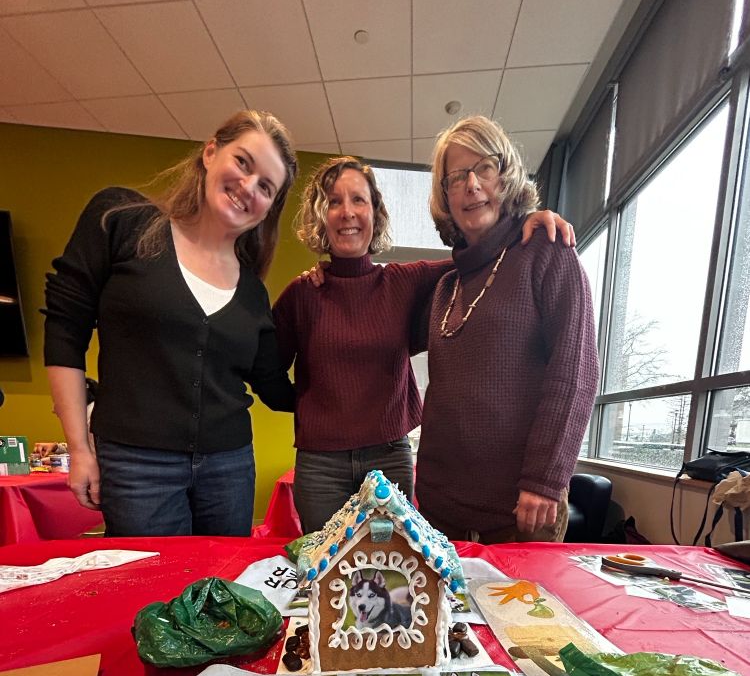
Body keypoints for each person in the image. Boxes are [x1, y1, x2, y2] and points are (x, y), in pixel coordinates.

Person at [273, 155, 574, 534]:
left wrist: (523, 223)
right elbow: (266, 373)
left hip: (390, 459)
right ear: (321, 214)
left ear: (375, 212)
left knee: (395, 573)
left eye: (358, 200)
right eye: (334, 201)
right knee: (326, 570)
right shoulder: (302, 294)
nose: (347, 212)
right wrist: (312, 400)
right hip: (321, 468)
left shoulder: (406, 282)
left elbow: (479, 257)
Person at [44, 110, 297, 537]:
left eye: (266, 187)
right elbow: (64, 330)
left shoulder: (253, 292)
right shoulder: (121, 222)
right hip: (135, 467)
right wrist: (79, 448)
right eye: (243, 163)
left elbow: (275, 387)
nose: (248, 187)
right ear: (211, 152)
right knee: (149, 591)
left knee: (223, 591)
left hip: (229, 469)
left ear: (269, 207)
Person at [415, 116, 598, 544]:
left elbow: (576, 373)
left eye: (484, 168)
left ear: (507, 176)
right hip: (441, 512)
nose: (471, 185)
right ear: (445, 196)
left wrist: (544, 479)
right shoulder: (447, 286)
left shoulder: (547, 254)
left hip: (520, 510)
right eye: (456, 177)